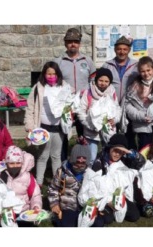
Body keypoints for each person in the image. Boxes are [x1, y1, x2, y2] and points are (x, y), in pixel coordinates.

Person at [78, 134, 145, 227]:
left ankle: (115, 210)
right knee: (108, 219)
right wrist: (108, 202)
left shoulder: (125, 162)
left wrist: (129, 152)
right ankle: (101, 212)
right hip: (104, 199)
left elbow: (141, 162)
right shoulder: (99, 163)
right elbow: (93, 187)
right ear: (109, 148)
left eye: (121, 152)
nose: (117, 154)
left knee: (134, 215)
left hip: (118, 197)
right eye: (115, 150)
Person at [24, 61, 71, 186]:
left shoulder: (65, 87)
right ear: (44, 74)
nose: (51, 76)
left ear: (58, 74)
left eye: (54, 73)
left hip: (58, 128)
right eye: (48, 74)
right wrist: (29, 127)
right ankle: (38, 183)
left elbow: (70, 106)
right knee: (43, 156)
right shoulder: (38, 88)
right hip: (42, 129)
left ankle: (57, 182)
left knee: (56, 156)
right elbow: (30, 109)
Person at [53, 27, 96, 161]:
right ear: (65, 43)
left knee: (84, 135)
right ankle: (63, 162)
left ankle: (84, 161)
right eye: (70, 41)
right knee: (63, 135)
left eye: (75, 42)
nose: (73, 44)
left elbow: (93, 82)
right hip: (66, 106)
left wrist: (90, 100)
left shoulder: (87, 61)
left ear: (79, 44)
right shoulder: (58, 62)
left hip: (83, 105)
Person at [102, 35, 139, 150]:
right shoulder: (107, 65)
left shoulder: (136, 65)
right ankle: (110, 158)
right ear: (115, 50)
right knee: (110, 135)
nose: (122, 52)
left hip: (129, 106)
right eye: (119, 49)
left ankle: (129, 159)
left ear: (129, 50)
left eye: (124, 49)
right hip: (111, 107)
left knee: (129, 136)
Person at [0, 146, 42, 227]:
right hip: (4, 212)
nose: (15, 166)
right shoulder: (1, 176)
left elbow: (35, 195)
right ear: (6, 163)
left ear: (22, 163)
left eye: (18, 163)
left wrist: (36, 206)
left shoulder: (28, 177)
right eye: (11, 163)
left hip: (22, 212)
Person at [77, 68, 121, 164]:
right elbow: (81, 111)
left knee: (109, 156)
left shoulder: (112, 93)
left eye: (106, 81)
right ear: (96, 80)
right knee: (91, 158)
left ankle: (107, 175)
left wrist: (115, 120)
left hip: (108, 130)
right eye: (101, 80)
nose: (103, 83)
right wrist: (90, 125)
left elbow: (117, 109)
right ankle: (90, 176)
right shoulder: (88, 93)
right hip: (91, 132)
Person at [48, 144, 91, 227]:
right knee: (68, 224)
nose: (80, 165)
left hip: (84, 206)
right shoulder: (62, 172)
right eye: (77, 162)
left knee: (97, 223)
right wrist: (54, 203)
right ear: (72, 160)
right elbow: (53, 188)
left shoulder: (89, 173)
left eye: (83, 163)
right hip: (67, 206)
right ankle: (58, 218)